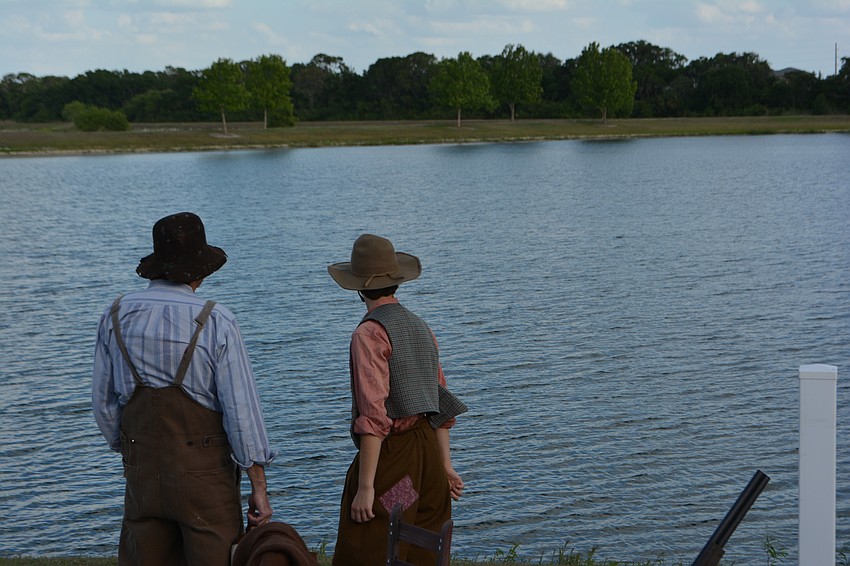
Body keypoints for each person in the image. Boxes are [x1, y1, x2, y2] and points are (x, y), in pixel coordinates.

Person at [92, 212, 277, 566]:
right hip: (205, 478)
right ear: (199, 270)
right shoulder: (216, 320)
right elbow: (241, 414)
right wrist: (259, 487)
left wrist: (133, 450)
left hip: (142, 471)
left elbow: (103, 404)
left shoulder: (115, 314)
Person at [327, 233, 468, 565]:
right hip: (429, 462)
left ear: (359, 287)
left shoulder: (369, 334)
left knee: (367, 546)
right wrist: (445, 466)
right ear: (396, 282)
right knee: (420, 548)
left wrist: (366, 486)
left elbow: (374, 417)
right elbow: (440, 405)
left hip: (394, 459)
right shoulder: (421, 327)